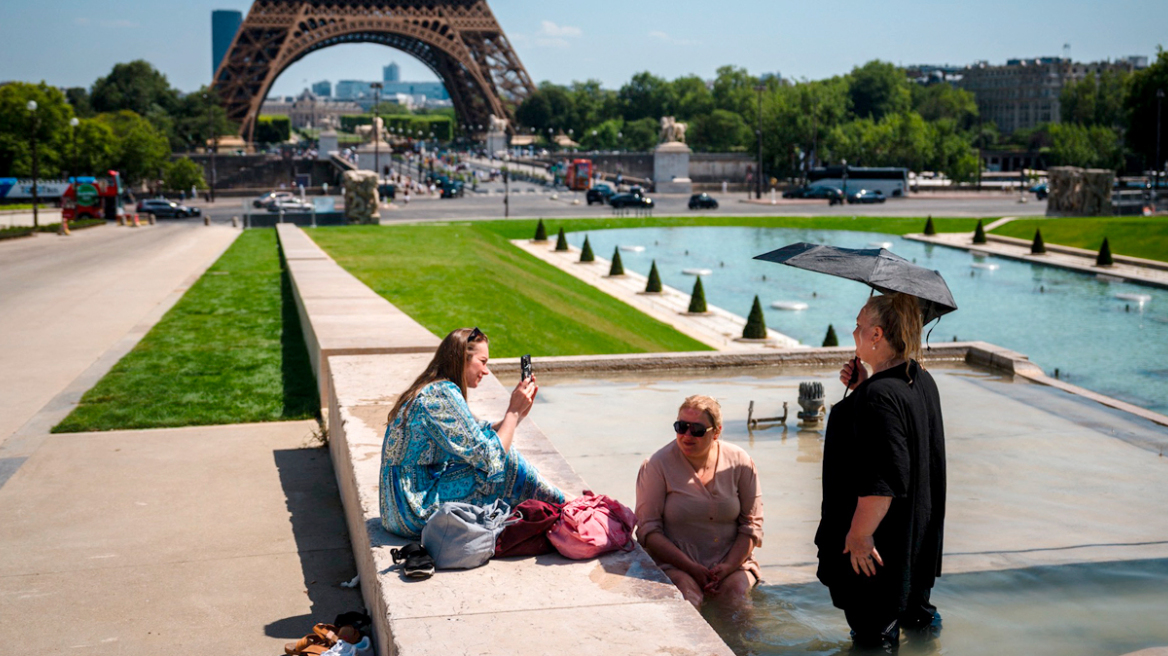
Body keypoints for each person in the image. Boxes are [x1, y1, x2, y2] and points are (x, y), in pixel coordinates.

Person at [815, 292, 947, 650]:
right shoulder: (919, 379)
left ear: (876, 335)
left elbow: (883, 478)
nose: (854, 332)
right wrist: (862, 386)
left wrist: (859, 537)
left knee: (874, 639)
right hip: (912, 544)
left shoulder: (878, 398)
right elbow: (903, 441)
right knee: (915, 620)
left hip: (877, 555)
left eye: (859, 326)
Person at [379, 327, 566, 538]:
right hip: (413, 511)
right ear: (461, 359)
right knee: (505, 464)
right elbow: (491, 459)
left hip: (397, 508)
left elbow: (476, 437)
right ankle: (564, 506)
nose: (486, 371)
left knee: (498, 457)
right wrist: (512, 412)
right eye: (483, 362)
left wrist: (517, 414)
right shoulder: (441, 394)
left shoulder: (434, 389)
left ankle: (557, 503)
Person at [635, 395, 763, 609]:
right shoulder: (657, 465)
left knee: (736, 599)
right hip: (676, 564)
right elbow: (648, 531)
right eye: (681, 427)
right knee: (688, 598)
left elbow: (752, 526)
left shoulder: (740, 462)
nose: (686, 436)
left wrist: (729, 566)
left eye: (696, 430)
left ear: (717, 432)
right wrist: (691, 568)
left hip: (731, 562)